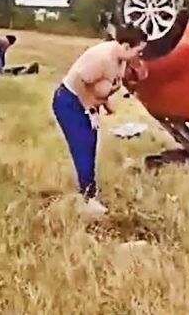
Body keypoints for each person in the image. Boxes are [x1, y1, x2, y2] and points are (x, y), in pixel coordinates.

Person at [51, 25, 148, 216]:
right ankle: (88, 199)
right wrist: (89, 108)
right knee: (83, 145)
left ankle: (89, 191)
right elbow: (80, 81)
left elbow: (101, 85)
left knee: (91, 143)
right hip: (70, 101)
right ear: (127, 47)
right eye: (139, 51)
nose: (140, 55)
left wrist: (106, 104)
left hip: (86, 103)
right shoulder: (103, 57)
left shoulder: (121, 58)